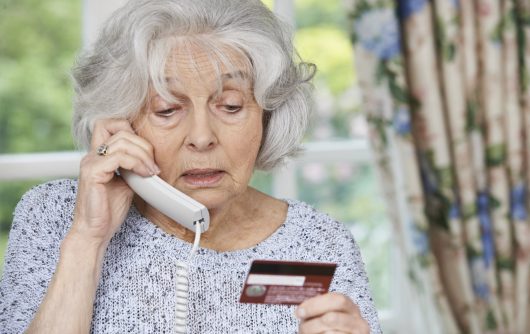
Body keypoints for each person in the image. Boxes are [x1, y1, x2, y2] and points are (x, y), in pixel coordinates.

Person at [0, 0, 381, 333]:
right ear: (121, 124)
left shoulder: (319, 241)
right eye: (167, 109)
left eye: (230, 106)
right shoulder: (53, 216)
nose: (201, 137)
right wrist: (88, 238)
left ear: (267, 116)